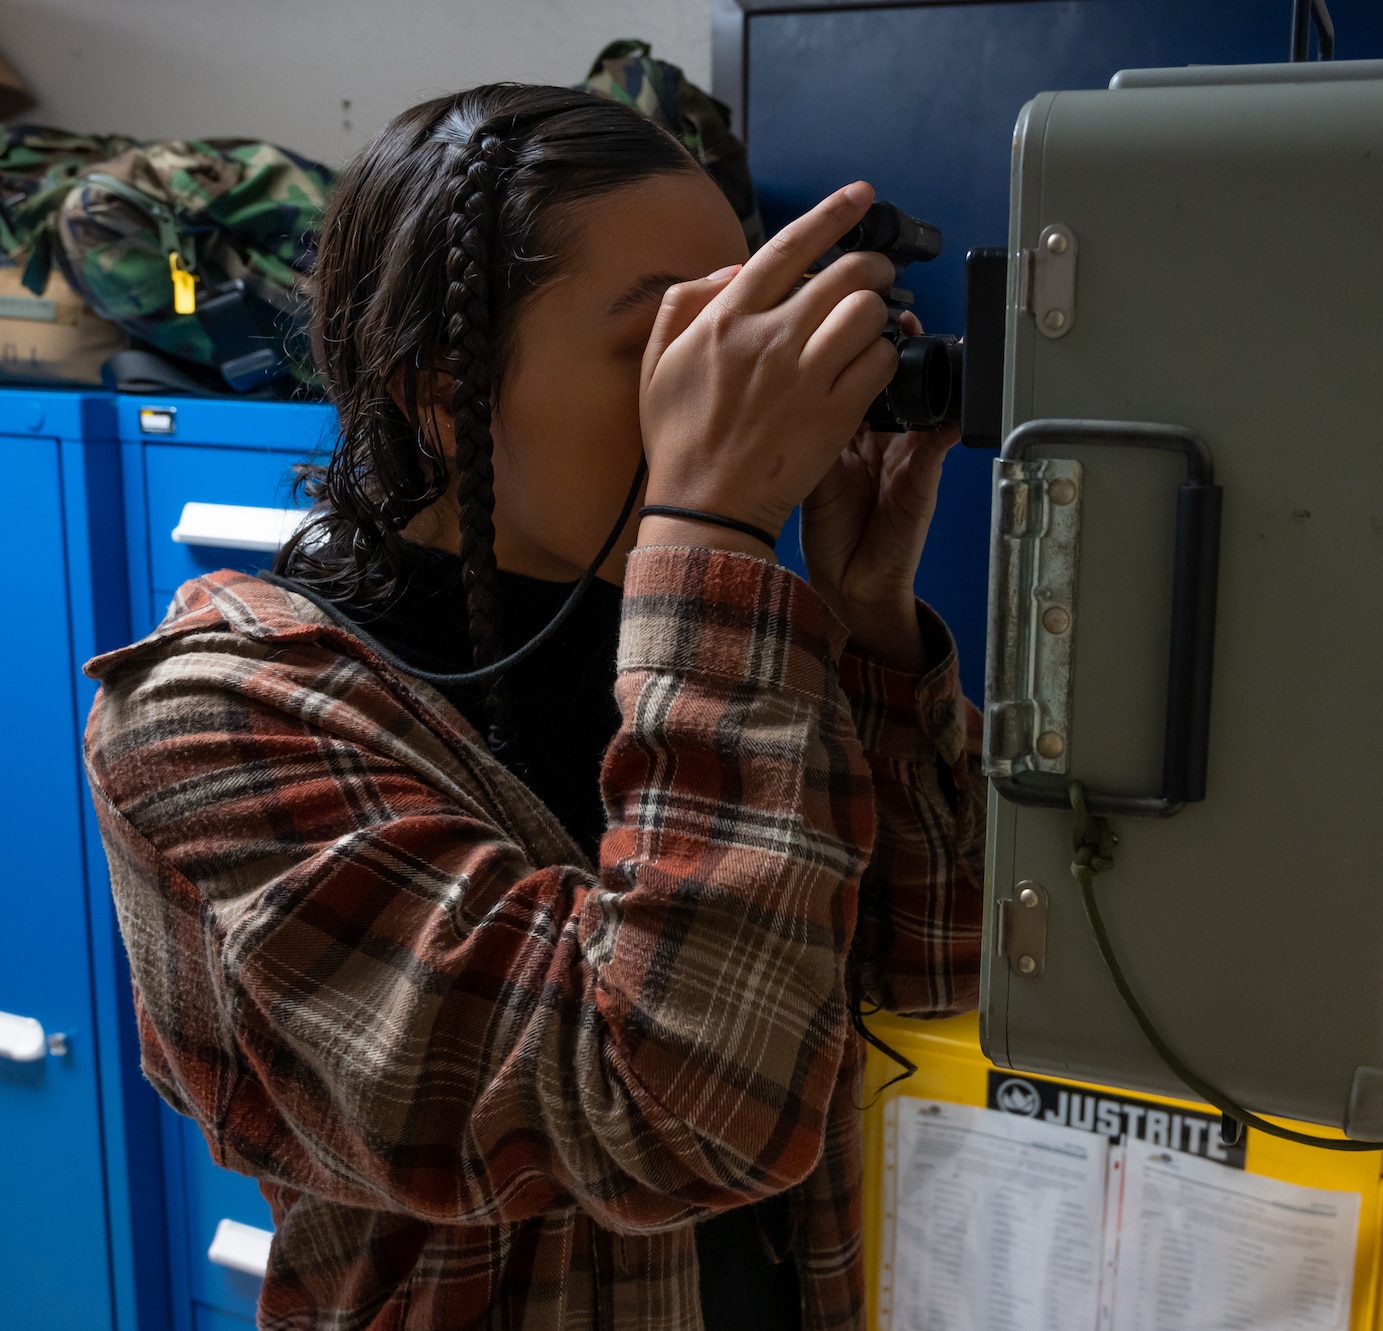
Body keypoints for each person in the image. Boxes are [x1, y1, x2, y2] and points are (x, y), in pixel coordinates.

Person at [81, 83, 983, 1331]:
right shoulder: (210, 719)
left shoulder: (705, 633)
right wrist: (714, 536)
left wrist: (871, 617)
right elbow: (666, 1112)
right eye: (670, 340)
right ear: (438, 392)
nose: (727, 382)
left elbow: (934, 957)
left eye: (738, 328)